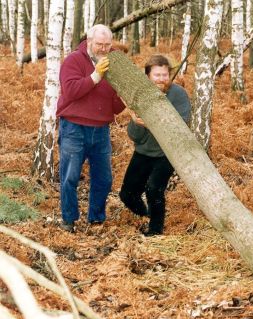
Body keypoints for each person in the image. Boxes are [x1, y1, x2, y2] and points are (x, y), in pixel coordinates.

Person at [56, 24, 125, 232]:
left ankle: (96, 218)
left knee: (103, 178)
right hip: (73, 127)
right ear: (89, 41)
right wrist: (95, 76)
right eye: (99, 44)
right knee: (70, 176)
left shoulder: (115, 63)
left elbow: (114, 105)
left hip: (101, 129)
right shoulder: (73, 61)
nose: (103, 49)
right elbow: (70, 91)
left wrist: (124, 98)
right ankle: (69, 219)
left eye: (107, 45)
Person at [119, 55, 191, 236]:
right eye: (157, 75)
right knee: (127, 195)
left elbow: (181, 125)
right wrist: (136, 122)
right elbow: (135, 137)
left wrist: (152, 121)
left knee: (153, 188)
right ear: (148, 76)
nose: (161, 79)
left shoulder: (178, 94)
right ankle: (146, 215)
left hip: (167, 153)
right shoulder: (141, 95)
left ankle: (155, 230)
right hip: (144, 151)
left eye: (164, 75)